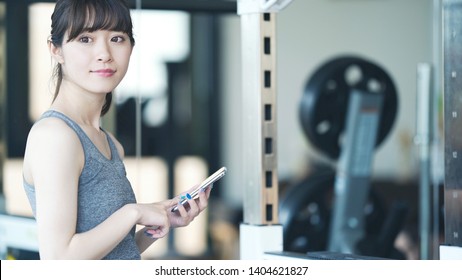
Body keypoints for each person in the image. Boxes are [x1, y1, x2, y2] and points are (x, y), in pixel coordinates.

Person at [22, 0, 211, 260]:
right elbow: (59, 259)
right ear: (56, 50)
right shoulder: (55, 135)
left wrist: (157, 225)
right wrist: (134, 212)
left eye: (117, 38)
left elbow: (110, 255)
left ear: (131, 47)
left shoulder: (108, 142)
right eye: (86, 39)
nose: (104, 54)